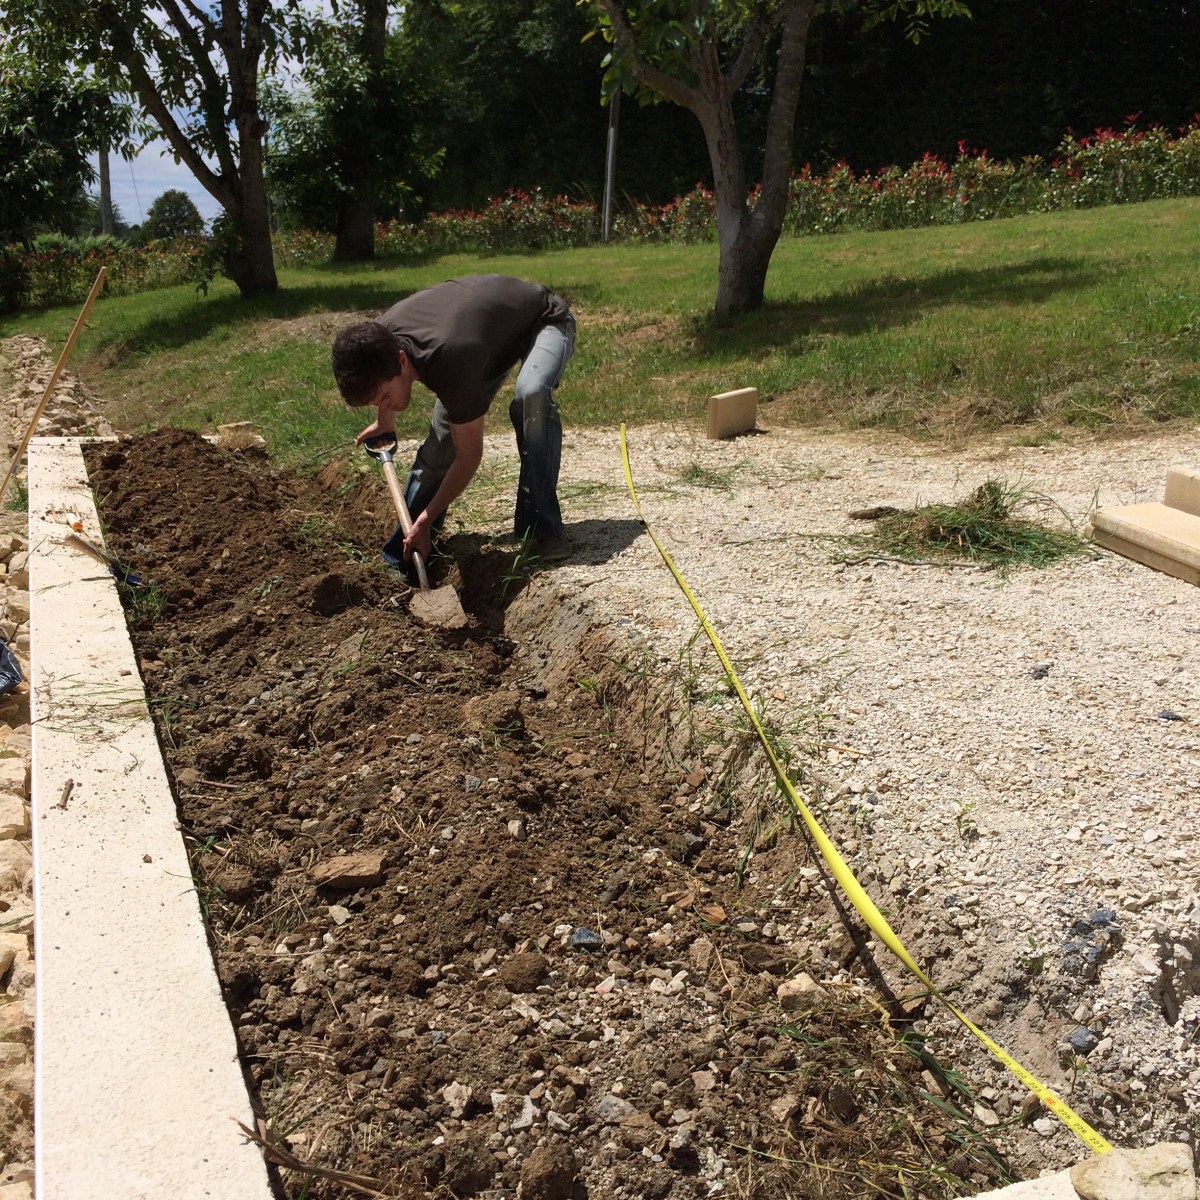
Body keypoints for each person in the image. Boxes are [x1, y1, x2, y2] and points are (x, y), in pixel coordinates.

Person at [331, 274, 576, 571]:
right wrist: (385, 422)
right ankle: (406, 556)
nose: (384, 405)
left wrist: (426, 519)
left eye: (384, 396)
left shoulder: (450, 357)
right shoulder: (378, 338)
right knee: (436, 452)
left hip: (543, 319)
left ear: (402, 361)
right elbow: (387, 386)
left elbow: (469, 456)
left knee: (532, 395)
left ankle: (544, 529)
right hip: (484, 340)